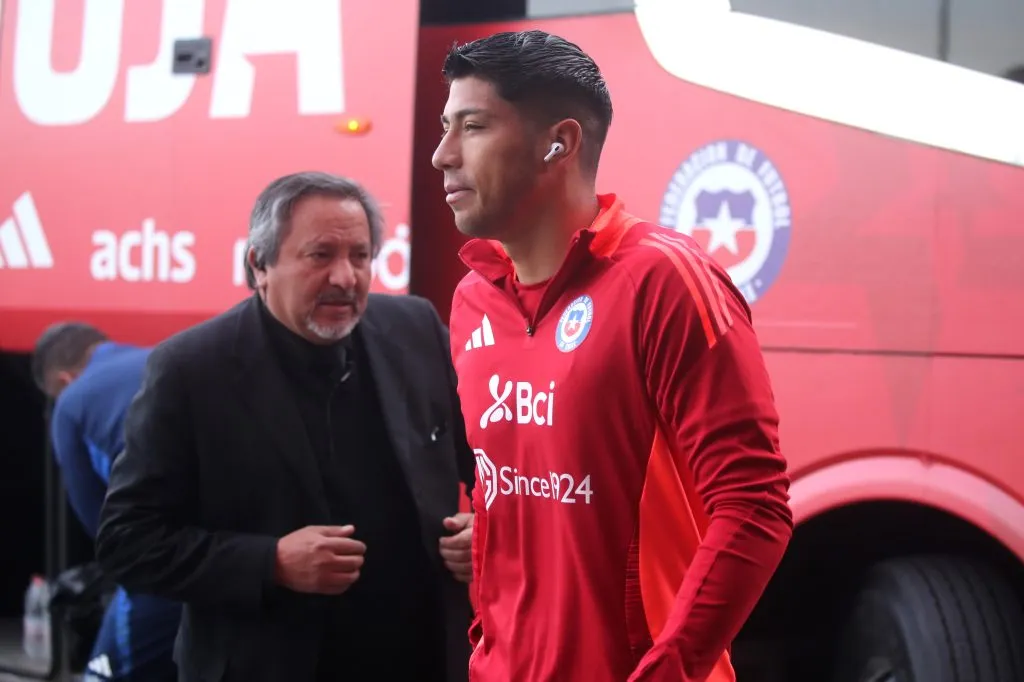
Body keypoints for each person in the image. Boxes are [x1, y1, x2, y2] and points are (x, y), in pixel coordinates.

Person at [432, 30, 794, 682]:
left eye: (472, 127)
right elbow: (507, 481)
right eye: (444, 127)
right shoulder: (471, 301)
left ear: (559, 143)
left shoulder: (666, 279)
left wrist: (671, 666)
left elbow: (754, 504)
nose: (442, 155)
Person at [95, 172, 476, 682]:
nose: (345, 276)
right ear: (259, 264)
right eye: (321, 255)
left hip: (421, 656)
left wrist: (490, 532)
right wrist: (270, 562)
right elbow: (127, 540)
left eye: (360, 256)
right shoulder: (191, 370)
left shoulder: (416, 328)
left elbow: (492, 465)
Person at [32, 323, 182, 682]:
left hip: (167, 561)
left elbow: (105, 529)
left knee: (106, 674)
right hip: (254, 553)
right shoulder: (173, 358)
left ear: (65, 380)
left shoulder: (72, 403)